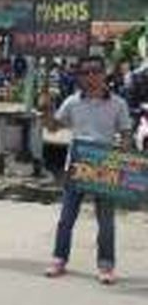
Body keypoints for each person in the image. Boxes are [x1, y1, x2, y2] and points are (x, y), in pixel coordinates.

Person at [42, 56, 132, 285]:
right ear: (80, 77)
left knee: (106, 220)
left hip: (105, 167)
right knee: (66, 218)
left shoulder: (118, 104)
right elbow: (53, 127)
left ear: (104, 74)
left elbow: (126, 134)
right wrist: (46, 109)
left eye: (95, 72)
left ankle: (106, 265)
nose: (91, 77)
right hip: (77, 166)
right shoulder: (72, 102)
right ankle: (59, 258)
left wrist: (124, 153)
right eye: (85, 73)